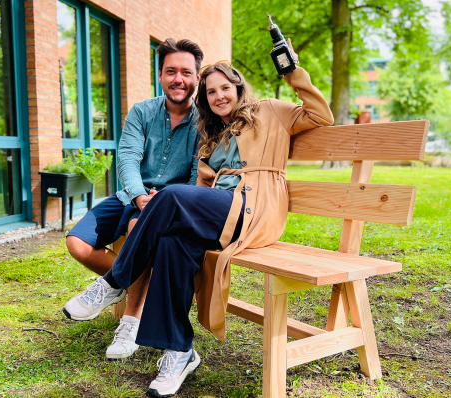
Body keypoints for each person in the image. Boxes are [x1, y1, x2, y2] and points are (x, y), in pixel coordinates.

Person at [68, 40, 334, 397]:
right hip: (217, 214)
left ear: (239, 88)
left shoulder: (270, 112)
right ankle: (180, 350)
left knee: (172, 195)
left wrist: (291, 72)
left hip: (252, 212)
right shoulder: (211, 138)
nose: (219, 96)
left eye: (225, 88)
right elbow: (199, 186)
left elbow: (320, 115)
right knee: (170, 242)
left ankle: (115, 281)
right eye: (211, 92)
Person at [62, 38, 203, 360]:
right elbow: (127, 157)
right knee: (77, 244)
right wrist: (139, 195)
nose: (178, 79)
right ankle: (132, 283)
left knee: (141, 227)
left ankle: (131, 322)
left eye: (185, 72)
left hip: (171, 202)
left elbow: (197, 173)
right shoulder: (142, 111)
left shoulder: (204, 121)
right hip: (131, 193)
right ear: (160, 75)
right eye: (170, 71)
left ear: (197, 77)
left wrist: (160, 201)